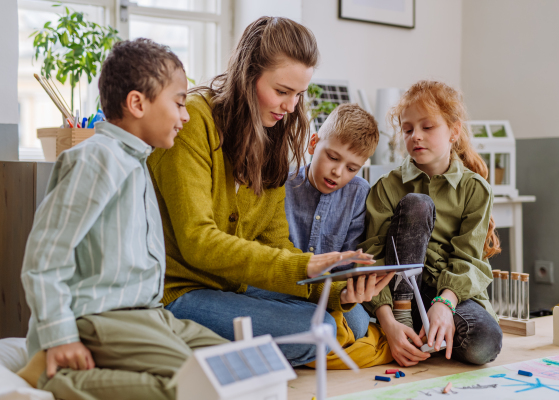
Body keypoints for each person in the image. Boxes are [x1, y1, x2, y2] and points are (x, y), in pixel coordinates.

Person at [147, 17, 388, 367]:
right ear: (248, 76)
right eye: (281, 91)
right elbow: (199, 241)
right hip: (181, 290)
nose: (291, 107)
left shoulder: (270, 134)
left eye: (298, 95)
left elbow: (277, 243)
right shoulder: (193, 124)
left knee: (350, 316)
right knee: (320, 328)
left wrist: (341, 289)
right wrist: (305, 266)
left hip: (233, 284)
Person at [18, 39, 228, 400]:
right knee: (195, 386)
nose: (186, 116)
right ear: (137, 103)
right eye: (179, 103)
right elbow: (43, 259)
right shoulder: (96, 159)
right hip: (99, 316)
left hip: (150, 315)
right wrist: (59, 334)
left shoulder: (138, 161)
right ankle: (50, 377)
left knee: (236, 362)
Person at [360, 80, 503, 367]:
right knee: (418, 203)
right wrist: (389, 323)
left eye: (427, 127)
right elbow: (372, 258)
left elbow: (469, 259)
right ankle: (406, 327)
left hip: (451, 294)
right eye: (408, 129)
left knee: (485, 344)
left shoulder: (475, 189)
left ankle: (429, 336)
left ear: (453, 131)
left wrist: (445, 303)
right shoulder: (387, 187)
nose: (416, 136)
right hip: (398, 299)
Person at [285, 103, 382, 342]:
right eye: (332, 157)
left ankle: (310, 331)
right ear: (314, 143)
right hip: (286, 288)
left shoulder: (359, 194)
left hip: (332, 293)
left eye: (351, 168)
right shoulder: (283, 186)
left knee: (358, 325)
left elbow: (349, 262)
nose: (338, 172)